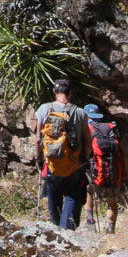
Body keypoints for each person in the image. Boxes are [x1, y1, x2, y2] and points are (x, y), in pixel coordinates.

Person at [34, 79, 91, 231]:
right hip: (75, 162)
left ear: (55, 91)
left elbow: (38, 138)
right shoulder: (80, 113)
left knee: (54, 193)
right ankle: (67, 230)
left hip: (52, 161)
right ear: (70, 93)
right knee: (72, 194)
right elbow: (88, 139)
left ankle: (55, 228)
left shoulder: (44, 109)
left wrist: (39, 157)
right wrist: (85, 157)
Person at [85, 102, 124, 234]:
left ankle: (90, 219)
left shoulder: (87, 128)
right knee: (111, 199)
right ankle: (110, 228)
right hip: (113, 169)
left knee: (89, 191)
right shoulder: (111, 127)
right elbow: (121, 151)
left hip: (95, 168)